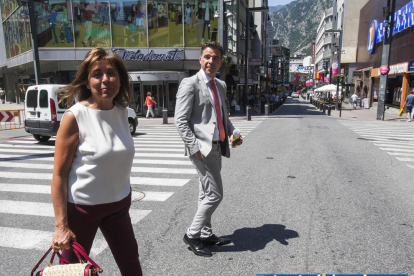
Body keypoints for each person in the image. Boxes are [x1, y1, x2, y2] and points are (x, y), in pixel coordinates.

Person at [51, 48, 143, 276]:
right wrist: (61, 226)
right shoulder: (75, 116)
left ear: (120, 79)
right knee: (72, 272)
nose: (105, 79)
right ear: (87, 80)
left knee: (132, 265)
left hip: (119, 206)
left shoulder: (123, 112)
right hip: (82, 209)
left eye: (111, 73)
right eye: (97, 74)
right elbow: (59, 175)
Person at [174, 41, 243, 257]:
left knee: (205, 192)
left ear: (221, 62)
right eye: (207, 57)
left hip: (217, 146)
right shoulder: (189, 84)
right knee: (215, 194)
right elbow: (180, 121)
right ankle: (193, 234)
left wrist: (232, 131)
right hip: (201, 149)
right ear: (200, 59)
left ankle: (206, 232)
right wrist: (194, 148)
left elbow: (223, 116)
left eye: (215, 58)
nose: (211, 61)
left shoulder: (220, 85)